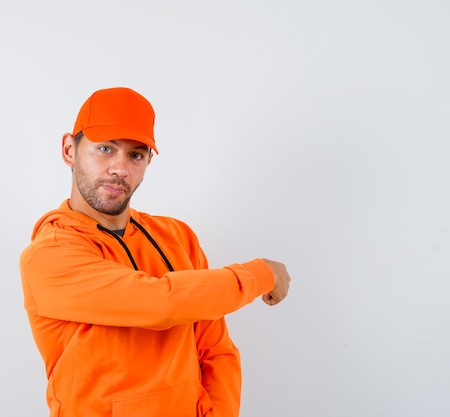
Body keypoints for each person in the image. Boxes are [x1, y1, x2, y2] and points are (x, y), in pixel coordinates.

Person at [19, 87, 291, 417]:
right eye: (105, 149)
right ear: (68, 150)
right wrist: (262, 273)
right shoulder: (49, 255)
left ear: (148, 161)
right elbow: (161, 302)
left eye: (135, 154)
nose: (119, 168)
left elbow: (216, 350)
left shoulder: (177, 237)